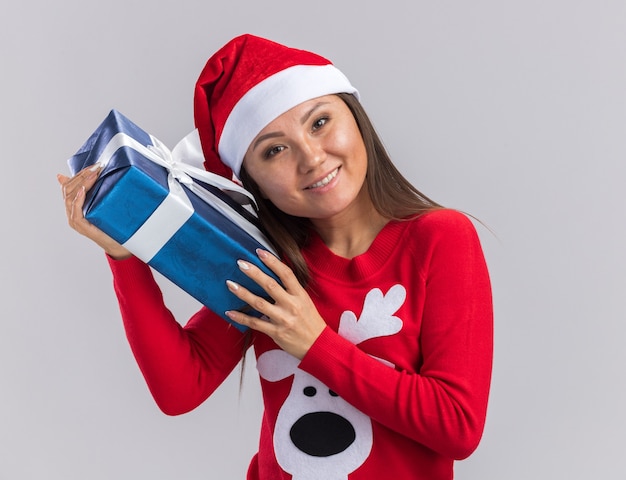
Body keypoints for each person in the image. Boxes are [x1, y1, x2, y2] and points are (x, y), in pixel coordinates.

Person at [58, 34, 493, 480]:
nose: (311, 157)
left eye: (320, 122)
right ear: (252, 182)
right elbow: (180, 389)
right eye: (274, 150)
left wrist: (314, 344)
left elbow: (457, 426)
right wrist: (123, 257)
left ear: (356, 117)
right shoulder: (267, 262)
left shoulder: (440, 238)